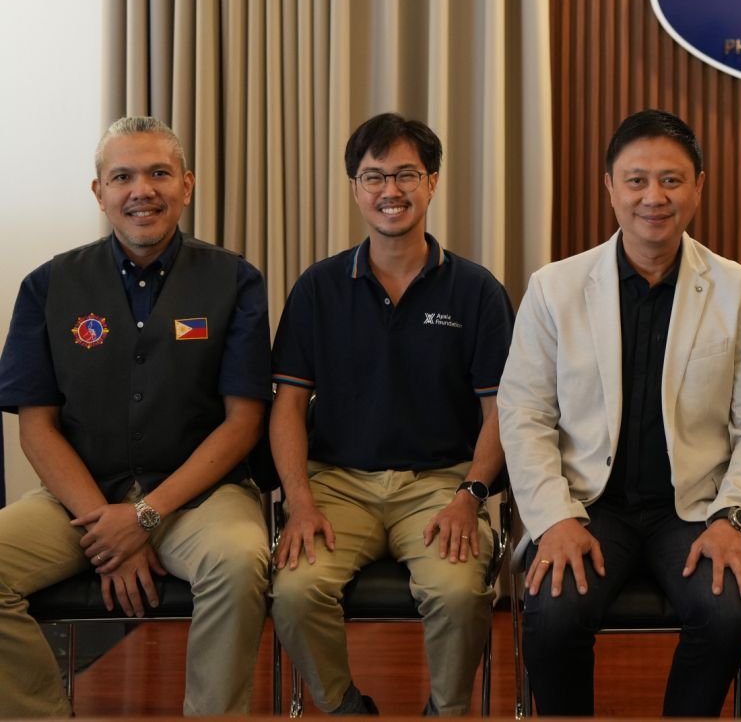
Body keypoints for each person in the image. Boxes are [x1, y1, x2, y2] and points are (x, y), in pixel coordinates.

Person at [500, 109, 741, 716]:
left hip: (694, 509)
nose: (655, 197)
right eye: (637, 180)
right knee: (552, 612)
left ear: (699, 186)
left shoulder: (738, 290)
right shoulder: (555, 289)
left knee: (729, 611)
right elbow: (524, 417)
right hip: (589, 507)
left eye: (672, 180)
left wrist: (734, 519)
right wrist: (553, 520)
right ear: (610, 187)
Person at [0, 115, 272, 717]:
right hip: (81, 500)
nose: (141, 190)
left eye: (158, 173)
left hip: (201, 499)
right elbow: (36, 425)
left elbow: (243, 423)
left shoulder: (235, 281)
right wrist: (112, 530)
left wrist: (145, 515)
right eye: (122, 176)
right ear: (99, 192)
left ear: (187, 185)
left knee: (240, 559)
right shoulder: (48, 286)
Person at [269, 113, 513, 716]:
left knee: (458, 594)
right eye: (374, 176)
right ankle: (344, 706)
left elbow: (502, 412)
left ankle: (445, 711)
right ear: (355, 188)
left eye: (406, 174)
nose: (390, 191)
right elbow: (288, 408)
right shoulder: (319, 287)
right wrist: (299, 501)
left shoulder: (476, 290)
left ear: (432, 183)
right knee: (295, 591)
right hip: (337, 487)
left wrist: (470, 494)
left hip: (440, 486)